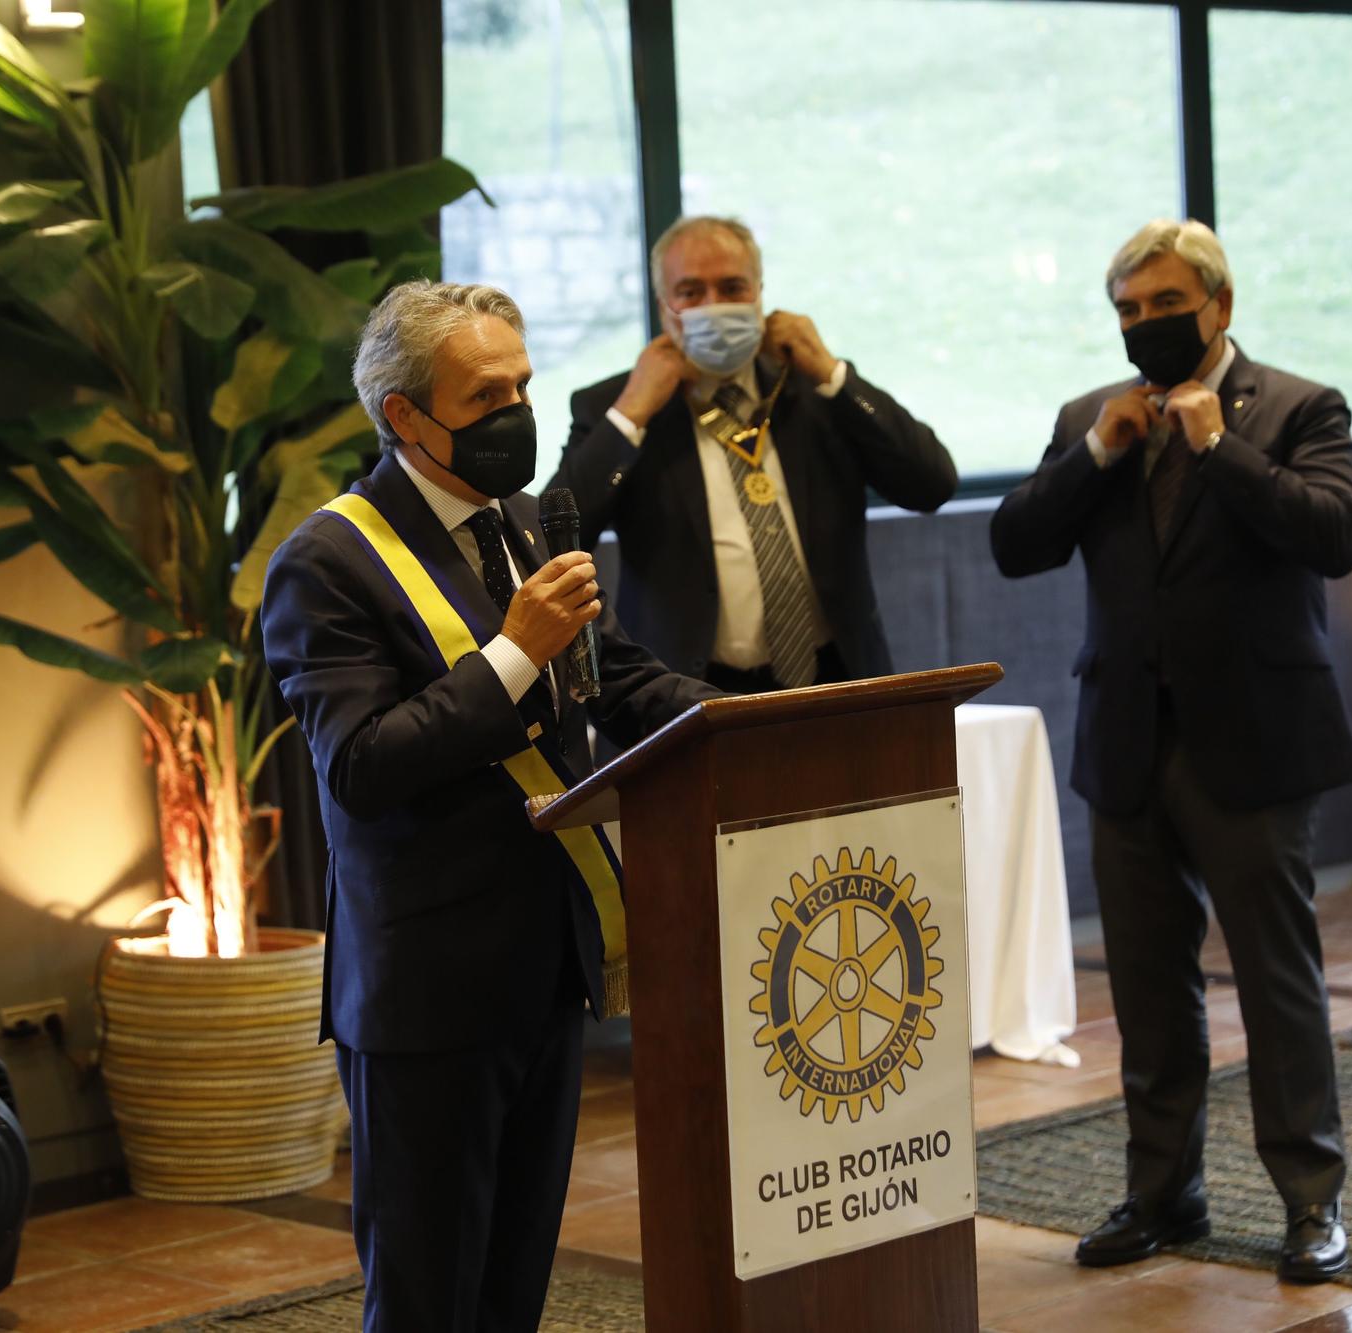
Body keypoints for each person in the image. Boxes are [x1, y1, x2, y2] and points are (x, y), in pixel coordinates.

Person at [260, 279, 716, 1332]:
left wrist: (763, 719)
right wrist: (512, 651)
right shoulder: (327, 562)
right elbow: (360, 766)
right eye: (484, 395)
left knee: (513, 1284)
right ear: (405, 417)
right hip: (427, 989)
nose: (515, 411)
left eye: (520, 383)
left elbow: (607, 677)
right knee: (427, 1295)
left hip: (543, 964)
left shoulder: (520, 519)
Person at [989, 219, 1352, 1283]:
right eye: (1125, 312)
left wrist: (1217, 447)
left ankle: (1308, 1202)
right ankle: (1163, 1194)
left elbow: (1334, 535)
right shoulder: (1087, 418)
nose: (1143, 327)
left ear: (1218, 305)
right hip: (1124, 741)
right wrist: (1098, 453)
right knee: (1149, 991)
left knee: (1273, 982)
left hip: (1253, 741)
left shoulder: (1297, 406)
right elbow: (1015, 542)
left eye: (1162, 305)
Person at [552, 215, 958, 692]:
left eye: (732, 287)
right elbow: (557, 539)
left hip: (834, 681)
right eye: (691, 292)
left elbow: (931, 483)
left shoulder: (813, 390)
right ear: (664, 307)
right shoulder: (617, 405)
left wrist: (831, 373)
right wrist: (630, 415)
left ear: (760, 293)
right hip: (679, 693)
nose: (714, 307)